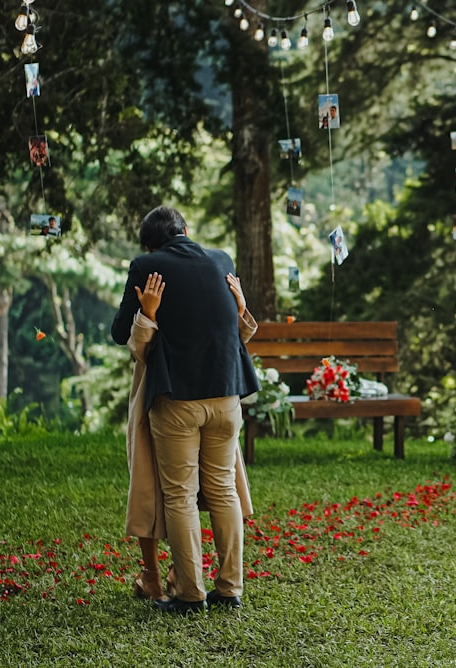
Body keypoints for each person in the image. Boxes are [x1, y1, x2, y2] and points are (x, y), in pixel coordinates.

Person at [111, 205, 261, 615]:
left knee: (179, 495)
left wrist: (149, 313)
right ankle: (230, 589)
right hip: (227, 399)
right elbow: (231, 326)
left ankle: (191, 595)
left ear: (149, 245)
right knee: (223, 490)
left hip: (177, 401)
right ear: (186, 231)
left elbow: (119, 332)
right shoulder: (222, 260)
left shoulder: (146, 265)